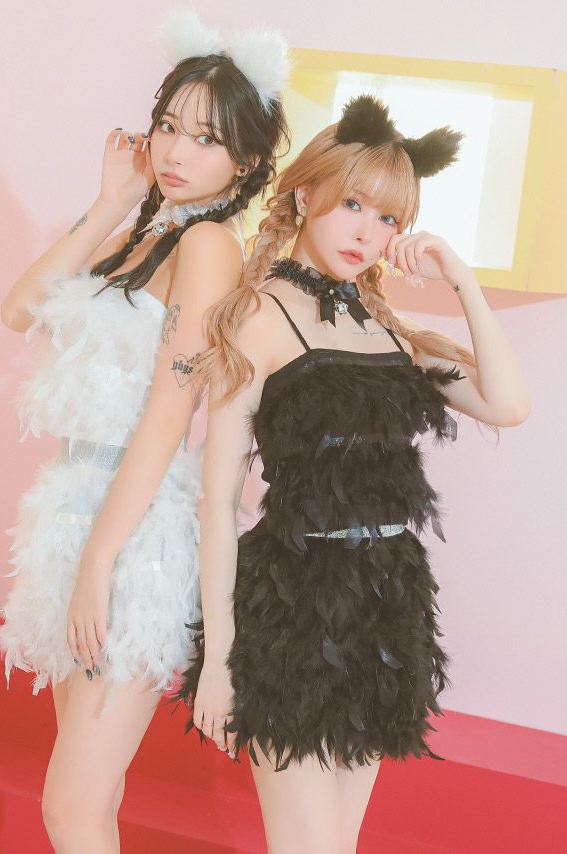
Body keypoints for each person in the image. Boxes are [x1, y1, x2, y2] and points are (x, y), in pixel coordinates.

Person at [178, 95, 530, 852]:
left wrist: (461, 281)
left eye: (389, 219)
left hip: (387, 603)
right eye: (353, 205)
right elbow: (216, 502)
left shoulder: (391, 333)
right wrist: (222, 657)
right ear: (306, 194)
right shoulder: (257, 317)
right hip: (294, 607)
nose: (368, 233)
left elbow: (507, 404)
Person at [0, 10, 289, 852]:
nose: (175, 151)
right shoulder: (145, 233)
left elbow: (169, 413)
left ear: (246, 162)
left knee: (72, 805)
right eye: (168, 126)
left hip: (134, 530)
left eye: (205, 138)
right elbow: (19, 310)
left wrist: (101, 560)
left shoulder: (210, 246)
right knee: (94, 794)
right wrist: (110, 202)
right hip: (73, 505)